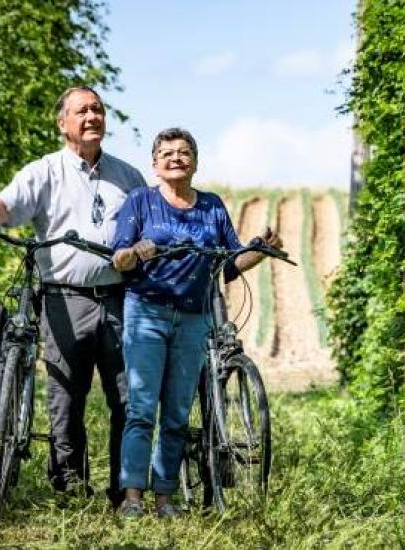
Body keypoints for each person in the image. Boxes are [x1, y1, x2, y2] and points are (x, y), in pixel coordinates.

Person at [0, 86, 146, 507]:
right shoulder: (44, 171)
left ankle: (125, 493)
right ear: (63, 124)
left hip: (119, 298)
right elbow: (6, 203)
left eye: (97, 109)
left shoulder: (129, 177)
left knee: (128, 399)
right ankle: (71, 490)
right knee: (65, 397)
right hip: (64, 299)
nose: (92, 116)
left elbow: (150, 229)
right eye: (82, 111)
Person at [110, 128, 282, 518]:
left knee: (175, 412)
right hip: (147, 313)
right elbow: (117, 259)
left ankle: (165, 497)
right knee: (141, 408)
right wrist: (136, 251)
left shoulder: (212, 206)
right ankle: (132, 498)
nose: (176, 158)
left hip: (194, 318)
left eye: (184, 152)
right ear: (154, 164)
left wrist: (261, 250)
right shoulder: (141, 202)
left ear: (195, 162)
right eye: (167, 153)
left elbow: (230, 262)